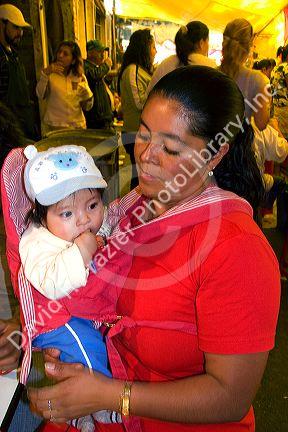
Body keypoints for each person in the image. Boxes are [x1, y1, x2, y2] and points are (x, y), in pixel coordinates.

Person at [28, 66, 280, 432]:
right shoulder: (137, 205)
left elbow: (230, 397)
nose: (146, 156)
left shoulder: (237, 249)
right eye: (143, 135)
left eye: (172, 148)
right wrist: (44, 333)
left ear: (215, 155)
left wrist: (111, 395)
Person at [19, 144, 121, 430]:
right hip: (54, 319)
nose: (84, 219)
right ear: (41, 216)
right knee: (89, 349)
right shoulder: (35, 242)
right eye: (66, 213)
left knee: (101, 343)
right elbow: (52, 284)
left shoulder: (80, 228)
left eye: (92, 205)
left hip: (76, 310)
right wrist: (82, 251)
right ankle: (103, 404)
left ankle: (79, 413)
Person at [118, 29, 156, 189]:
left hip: (139, 132)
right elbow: (139, 102)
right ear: (144, 48)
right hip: (134, 133)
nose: (155, 51)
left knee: (140, 177)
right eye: (153, 47)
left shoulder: (139, 70)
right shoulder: (132, 70)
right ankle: (133, 211)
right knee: (139, 180)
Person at [219, 18, 271, 131]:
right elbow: (261, 124)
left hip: (211, 145)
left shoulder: (210, 73)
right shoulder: (258, 80)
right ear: (249, 46)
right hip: (239, 146)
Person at [36, 40, 93, 136]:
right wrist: (45, 73)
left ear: (73, 60)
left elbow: (87, 107)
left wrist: (87, 94)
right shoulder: (51, 75)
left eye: (65, 54)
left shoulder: (79, 77)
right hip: (54, 128)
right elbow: (40, 94)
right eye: (59, 52)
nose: (60, 55)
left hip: (76, 128)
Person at [146, 21, 216, 94]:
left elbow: (149, 93)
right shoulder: (210, 66)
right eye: (208, 42)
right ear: (201, 43)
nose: (208, 46)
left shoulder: (167, 63)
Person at [0, 3, 37, 140]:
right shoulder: (1, 58)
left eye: (21, 29)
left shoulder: (13, 55)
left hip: (23, 129)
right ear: (1, 24)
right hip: (10, 136)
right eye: (15, 27)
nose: (20, 33)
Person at [84, 40, 114, 130]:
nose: (102, 55)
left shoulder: (96, 67)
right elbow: (94, 75)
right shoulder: (85, 66)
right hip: (96, 120)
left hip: (104, 119)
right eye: (99, 52)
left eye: (103, 52)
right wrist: (106, 65)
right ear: (89, 53)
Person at [270, 44, 288, 139]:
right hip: (286, 110)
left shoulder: (275, 69)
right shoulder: (286, 68)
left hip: (277, 109)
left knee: (281, 138)